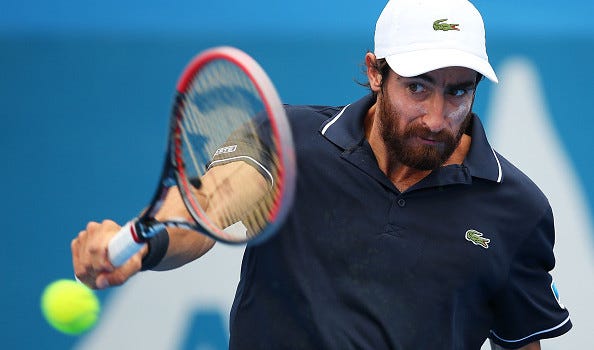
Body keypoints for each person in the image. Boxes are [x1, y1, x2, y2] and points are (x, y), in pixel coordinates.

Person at [71, 0, 572, 348]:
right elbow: (209, 205)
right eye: (418, 88)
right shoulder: (284, 139)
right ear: (376, 72)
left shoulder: (518, 210)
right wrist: (142, 244)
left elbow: (520, 343)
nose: (437, 117)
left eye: (459, 91)